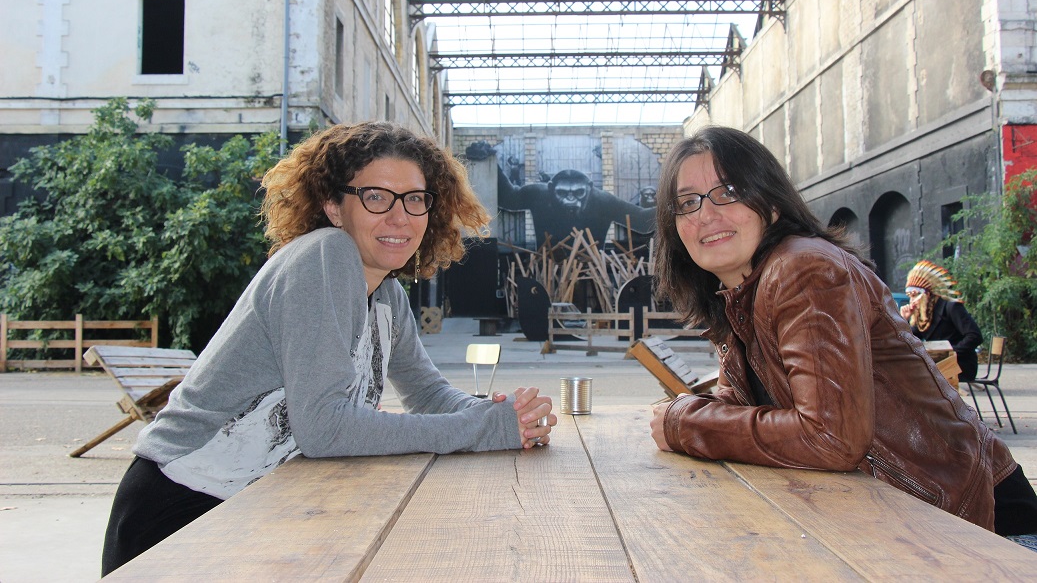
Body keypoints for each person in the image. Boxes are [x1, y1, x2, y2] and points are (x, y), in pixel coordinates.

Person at [101, 122, 556, 574]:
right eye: (376, 197)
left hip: (253, 509)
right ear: (334, 207)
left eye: (415, 199)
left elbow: (428, 395)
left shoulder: (388, 295)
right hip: (179, 512)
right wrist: (480, 429)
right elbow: (326, 429)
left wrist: (500, 414)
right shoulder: (324, 256)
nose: (400, 216)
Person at [648, 126, 1037, 544]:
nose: (706, 214)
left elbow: (830, 437)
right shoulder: (742, 291)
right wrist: (693, 414)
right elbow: (736, 402)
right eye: (687, 202)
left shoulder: (804, 269)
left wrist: (682, 422)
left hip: (980, 529)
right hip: (898, 519)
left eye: (728, 191)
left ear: (772, 204)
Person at [899, 259, 983, 381]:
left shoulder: (951, 307)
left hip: (960, 364)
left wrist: (950, 353)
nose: (911, 301)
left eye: (914, 295)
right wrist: (903, 321)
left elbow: (975, 336)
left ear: (926, 294)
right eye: (909, 296)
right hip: (938, 364)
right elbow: (910, 341)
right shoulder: (924, 315)